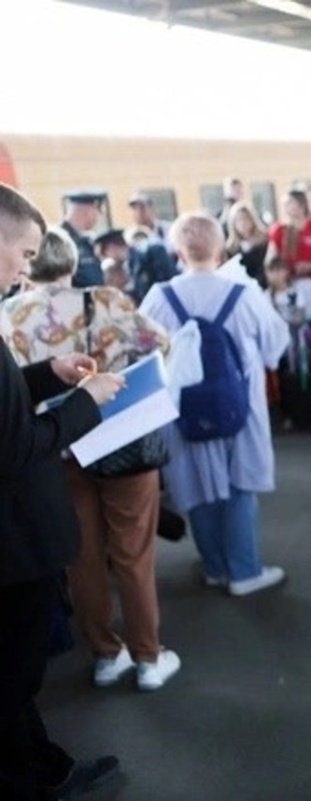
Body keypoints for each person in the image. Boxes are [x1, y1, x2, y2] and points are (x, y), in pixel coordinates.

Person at [1, 228, 180, 693]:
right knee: (132, 553)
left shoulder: (9, 314)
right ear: (71, 261)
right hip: (120, 443)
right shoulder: (107, 299)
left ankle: (105, 654)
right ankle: (148, 657)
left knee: (81, 556)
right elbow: (161, 343)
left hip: (54, 448)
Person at [0, 183, 127, 798]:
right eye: (24, 254)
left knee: (14, 677)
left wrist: (46, 374)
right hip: (12, 541)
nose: (27, 270)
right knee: (13, 675)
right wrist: (86, 402)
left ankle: (44, 769)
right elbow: (16, 447)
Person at [139, 212, 291, 595]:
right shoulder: (243, 292)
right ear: (221, 249)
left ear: (178, 252)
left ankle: (215, 566)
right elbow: (275, 346)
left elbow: (139, 351)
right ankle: (245, 571)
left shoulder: (158, 297)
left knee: (194, 485)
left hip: (181, 406)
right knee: (240, 483)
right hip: (240, 404)